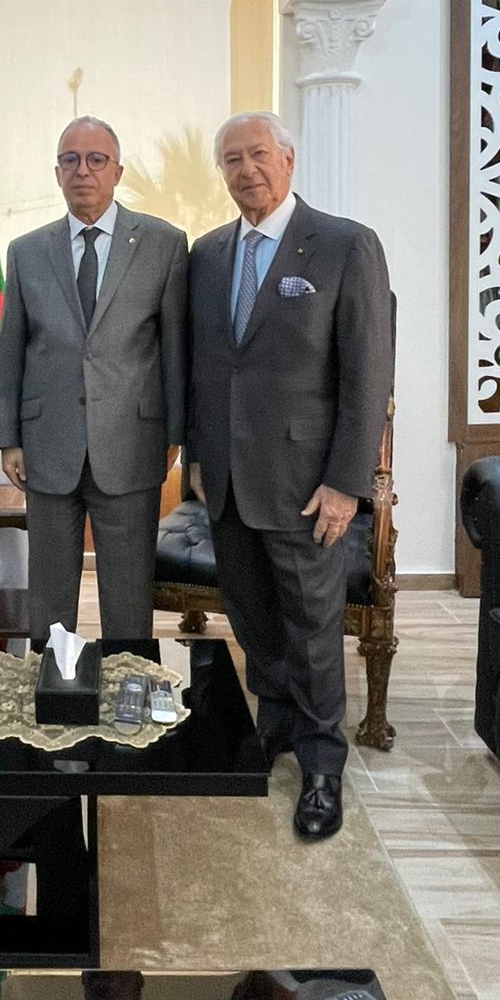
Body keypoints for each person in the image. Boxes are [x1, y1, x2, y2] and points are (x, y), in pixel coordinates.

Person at [187, 111, 392, 839]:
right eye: (232, 159)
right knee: (251, 616)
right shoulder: (207, 254)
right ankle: (272, 724)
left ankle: (322, 763)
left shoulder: (344, 244)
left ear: (289, 160)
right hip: (227, 481)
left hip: (308, 484)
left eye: (258, 155)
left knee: (311, 628)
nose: (246, 170)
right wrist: (197, 457)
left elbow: (367, 377)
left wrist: (346, 483)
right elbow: (202, 367)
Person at [0, 115, 187, 641]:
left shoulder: (164, 244)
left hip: (133, 443)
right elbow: (11, 349)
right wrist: (7, 437)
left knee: (128, 594)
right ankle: (54, 682)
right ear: (57, 173)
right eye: (70, 160)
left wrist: (177, 434)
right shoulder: (27, 251)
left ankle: (129, 682)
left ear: (117, 171)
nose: (83, 171)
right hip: (47, 444)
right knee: (50, 594)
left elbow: (175, 349)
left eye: (97, 160)